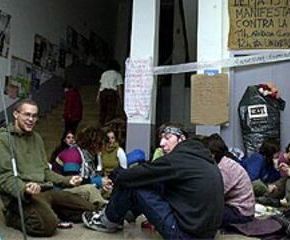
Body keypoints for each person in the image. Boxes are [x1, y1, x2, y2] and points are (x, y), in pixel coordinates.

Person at [82, 123, 224, 239]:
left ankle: (106, 221)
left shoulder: (178, 159)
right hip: (206, 234)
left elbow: (134, 176)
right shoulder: (203, 159)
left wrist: (116, 174)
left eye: (168, 138)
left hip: (184, 234)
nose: (162, 143)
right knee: (154, 182)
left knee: (134, 183)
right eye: (161, 138)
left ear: (182, 139)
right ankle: (124, 214)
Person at [0, 99, 95, 237]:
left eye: (34, 116)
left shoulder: (37, 138)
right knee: (47, 226)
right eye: (27, 114)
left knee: (89, 209)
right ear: (16, 114)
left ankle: (49, 211)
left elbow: (45, 171)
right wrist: (24, 189)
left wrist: (67, 180)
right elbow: (6, 178)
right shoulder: (3, 140)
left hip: (45, 190)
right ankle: (13, 217)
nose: (31, 119)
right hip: (21, 197)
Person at [201, 133, 255, 228]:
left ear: (212, 155)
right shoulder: (224, 162)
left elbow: (213, 196)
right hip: (237, 207)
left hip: (241, 213)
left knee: (204, 214)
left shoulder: (224, 169)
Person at [97, 60, 123, 126]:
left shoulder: (104, 73)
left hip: (103, 93)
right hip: (111, 93)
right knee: (111, 111)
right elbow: (119, 88)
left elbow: (101, 86)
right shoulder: (117, 75)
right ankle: (108, 125)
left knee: (103, 110)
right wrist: (120, 98)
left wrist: (98, 96)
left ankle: (101, 125)